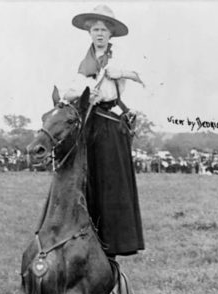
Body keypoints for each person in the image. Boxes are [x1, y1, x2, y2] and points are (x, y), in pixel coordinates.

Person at [63, 5, 145, 269]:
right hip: (90, 123)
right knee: (86, 181)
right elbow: (71, 92)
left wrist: (120, 73)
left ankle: (114, 245)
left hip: (111, 125)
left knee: (111, 183)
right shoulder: (84, 62)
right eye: (95, 29)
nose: (99, 34)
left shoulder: (119, 58)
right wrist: (83, 93)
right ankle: (86, 241)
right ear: (89, 33)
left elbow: (143, 76)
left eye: (104, 30)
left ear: (111, 34)